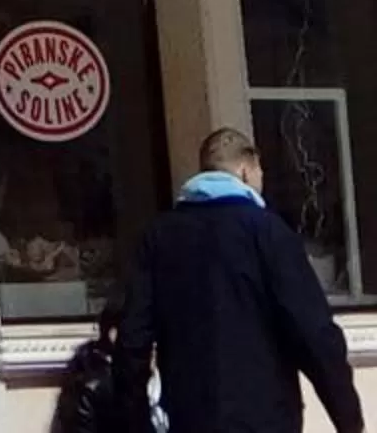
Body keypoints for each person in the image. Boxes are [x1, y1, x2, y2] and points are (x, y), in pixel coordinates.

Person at [113, 128, 362, 433]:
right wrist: (348, 419)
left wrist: (134, 418)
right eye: (260, 172)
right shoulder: (269, 233)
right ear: (246, 170)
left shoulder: (158, 238)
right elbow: (314, 334)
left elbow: (133, 338)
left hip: (190, 418)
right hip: (264, 418)